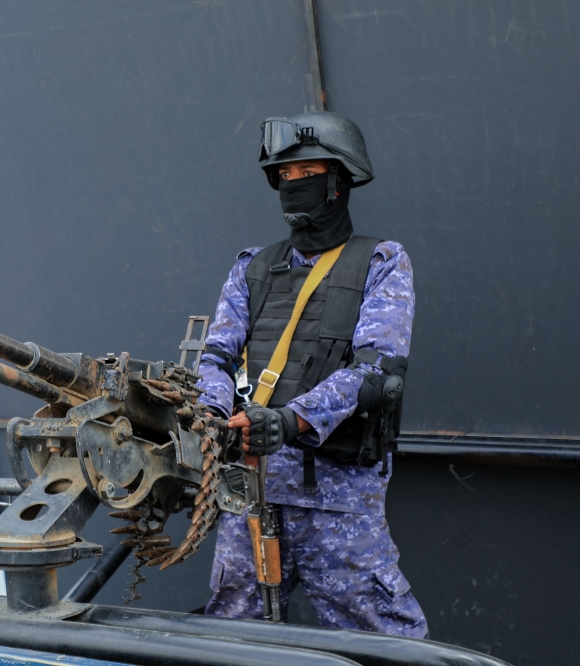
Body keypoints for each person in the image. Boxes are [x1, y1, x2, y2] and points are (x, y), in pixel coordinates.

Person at [198, 112, 428, 637]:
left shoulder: (381, 262)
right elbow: (215, 358)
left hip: (337, 503)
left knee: (386, 643)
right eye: (283, 177)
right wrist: (212, 412)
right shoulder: (252, 267)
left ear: (339, 183)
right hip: (250, 494)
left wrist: (291, 420)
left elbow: (378, 370)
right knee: (231, 642)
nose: (292, 186)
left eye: (306, 175)